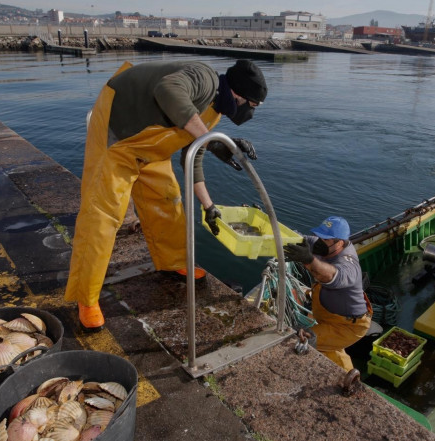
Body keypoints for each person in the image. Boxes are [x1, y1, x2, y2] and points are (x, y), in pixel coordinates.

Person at [66, 59, 268, 330]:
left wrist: (209, 207)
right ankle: (86, 298)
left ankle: (173, 263)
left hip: (150, 149)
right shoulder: (204, 78)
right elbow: (168, 88)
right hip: (119, 135)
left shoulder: (213, 111)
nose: (250, 114)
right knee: (103, 217)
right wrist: (214, 141)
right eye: (252, 107)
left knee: (168, 200)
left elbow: (192, 158)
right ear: (240, 96)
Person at [284, 216, 372, 371]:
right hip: (327, 316)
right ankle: (348, 373)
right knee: (330, 347)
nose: (318, 240)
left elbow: (330, 275)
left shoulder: (349, 265)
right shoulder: (320, 245)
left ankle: (345, 378)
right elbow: (292, 237)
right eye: (319, 236)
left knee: (305, 338)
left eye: (325, 239)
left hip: (347, 326)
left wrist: (309, 260)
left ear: (339, 242)